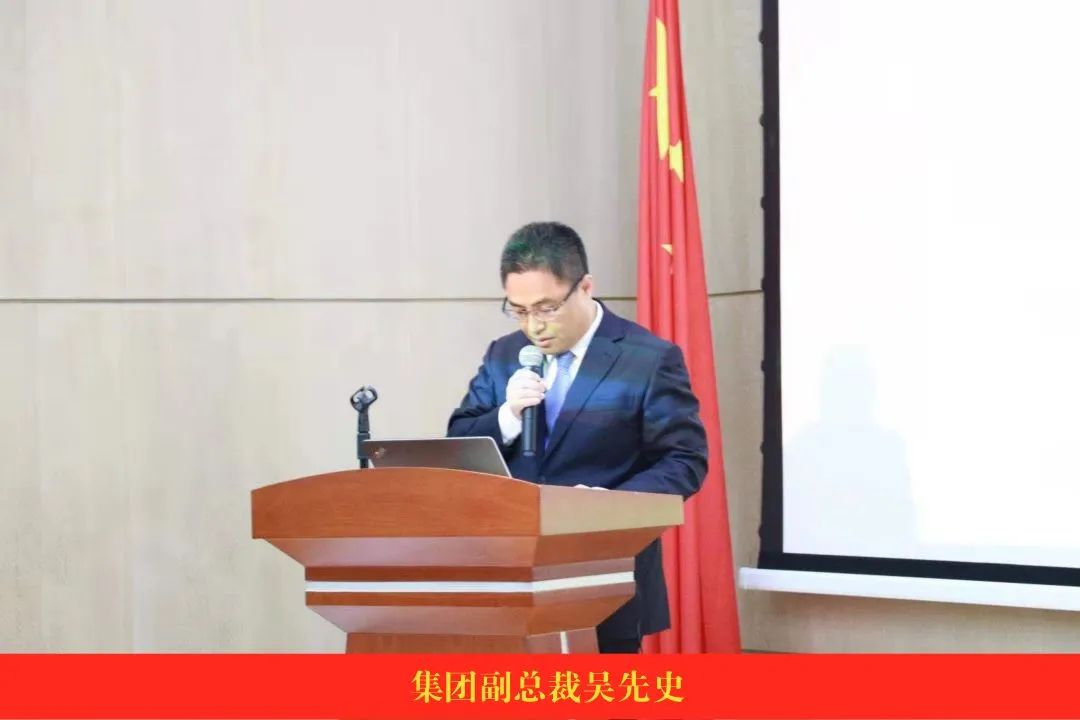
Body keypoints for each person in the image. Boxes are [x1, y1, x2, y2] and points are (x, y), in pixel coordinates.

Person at [446, 221, 708, 653]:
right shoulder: (504, 354)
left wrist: (609, 506)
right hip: (509, 578)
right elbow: (458, 442)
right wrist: (508, 415)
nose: (534, 326)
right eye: (519, 310)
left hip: (606, 576)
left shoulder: (647, 358)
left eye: (547, 308)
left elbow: (684, 460)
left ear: (585, 287)